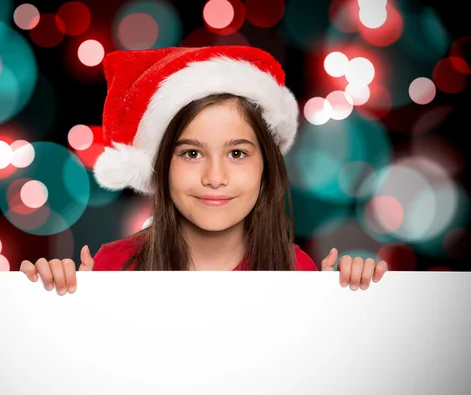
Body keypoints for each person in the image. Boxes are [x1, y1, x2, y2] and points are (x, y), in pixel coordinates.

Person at [20, 46, 389, 295]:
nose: (215, 177)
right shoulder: (111, 267)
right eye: (192, 153)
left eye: (238, 154)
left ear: (267, 168)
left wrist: (343, 303)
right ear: (161, 167)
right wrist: (60, 302)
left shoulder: (297, 271)